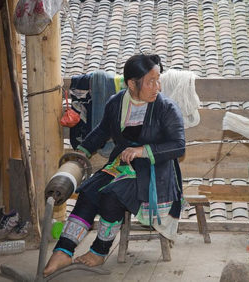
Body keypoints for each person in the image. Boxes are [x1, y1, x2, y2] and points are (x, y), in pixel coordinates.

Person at [43, 54, 186, 276]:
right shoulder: (116, 103)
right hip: (123, 165)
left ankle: (99, 251)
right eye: (150, 81)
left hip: (155, 172)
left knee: (112, 194)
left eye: (158, 80)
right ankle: (63, 250)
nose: (157, 86)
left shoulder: (166, 108)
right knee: (89, 192)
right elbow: (102, 131)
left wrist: (142, 151)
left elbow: (178, 146)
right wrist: (81, 152)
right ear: (132, 83)